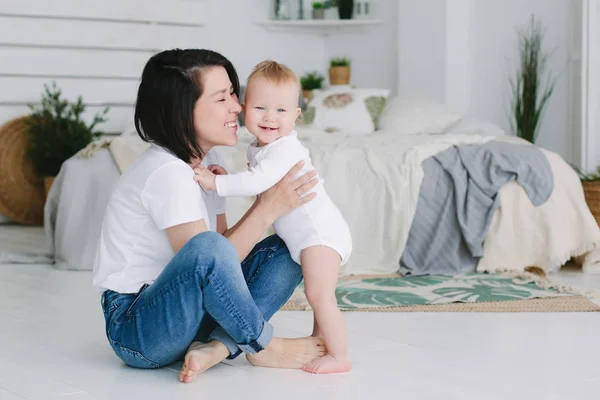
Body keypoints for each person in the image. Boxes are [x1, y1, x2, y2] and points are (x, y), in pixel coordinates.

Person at [92, 49, 325, 384]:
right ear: (183, 112)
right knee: (208, 248)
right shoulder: (167, 172)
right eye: (222, 98)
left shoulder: (209, 161)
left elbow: (226, 266)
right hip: (136, 328)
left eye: (234, 93)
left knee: (290, 249)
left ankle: (217, 347)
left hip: (189, 311)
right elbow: (210, 259)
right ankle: (262, 345)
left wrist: (267, 205)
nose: (238, 107)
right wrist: (269, 207)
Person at [194, 60, 352, 374]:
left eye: (281, 111)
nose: (270, 117)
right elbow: (260, 180)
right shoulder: (262, 148)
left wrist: (216, 183)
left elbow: (255, 183)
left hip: (320, 235)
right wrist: (229, 176)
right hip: (311, 237)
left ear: (296, 116)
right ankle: (320, 342)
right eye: (261, 108)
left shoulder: (284, 149)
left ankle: (340, 356)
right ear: (244, 108)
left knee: (319, 295)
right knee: (318, 294)